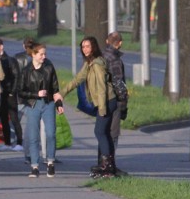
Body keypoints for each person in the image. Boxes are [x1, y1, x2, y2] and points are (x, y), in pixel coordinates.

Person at [60, 36, 118, 179]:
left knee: (99, 131)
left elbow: (102, 87)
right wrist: (62, 93)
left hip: (107, 101)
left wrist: (102, 109)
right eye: (83, 46)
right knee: (104, 132)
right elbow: (78, 78)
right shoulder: (89, 63)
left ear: (94, 47)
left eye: (88, 46)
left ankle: (106, 165)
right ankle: (109, 165)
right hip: (105, 101)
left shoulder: (97, 64)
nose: (85, 49)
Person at [18, 41, 63, 178]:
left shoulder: (49, 67)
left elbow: (55, 88)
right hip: (33, 104)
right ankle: (34, 166)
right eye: (41, 54)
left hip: (48, 103)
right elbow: (20, 91)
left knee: (50, 133)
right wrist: (36, 94)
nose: (44, 57)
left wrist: (59, 103)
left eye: (45, 54)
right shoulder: (26, 71)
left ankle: (50, 162)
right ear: (33, 54)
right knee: (33, 136)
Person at [0, 37, 23, 151]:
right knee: (3, 118)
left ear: (2, 46)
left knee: (14, 117)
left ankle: (19, 142)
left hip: (9, 92)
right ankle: (7, 142)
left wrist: (12, 91)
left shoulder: (10, 60)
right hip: (0, 93)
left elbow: (17, 76)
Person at [102, 31, 129, 149]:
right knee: (113, 133)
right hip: (114, 100)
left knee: (102, 132)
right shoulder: (115, 60)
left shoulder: (101, 56)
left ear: (107, 41)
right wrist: (123, 103)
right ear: (120, 43)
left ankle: (102, 161)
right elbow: (119, 83)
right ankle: (109, 162)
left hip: (101, 98)